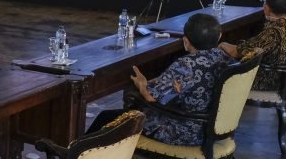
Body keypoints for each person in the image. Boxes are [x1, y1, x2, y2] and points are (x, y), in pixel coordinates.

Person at [87, 13, 232, 146]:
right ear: (219, 36)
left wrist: (142, 85)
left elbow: (151, 98)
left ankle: (79, 156)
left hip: (184, 131)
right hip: (212, 126)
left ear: (186, 41)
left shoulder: (187, 65)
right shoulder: (223, 56)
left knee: (107, 117)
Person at [220, 0, 286, 91]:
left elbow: (236, 52)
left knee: (220, 65)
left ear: (266, 8)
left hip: (269, 80)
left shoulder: (272, 33)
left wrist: (222, 44)